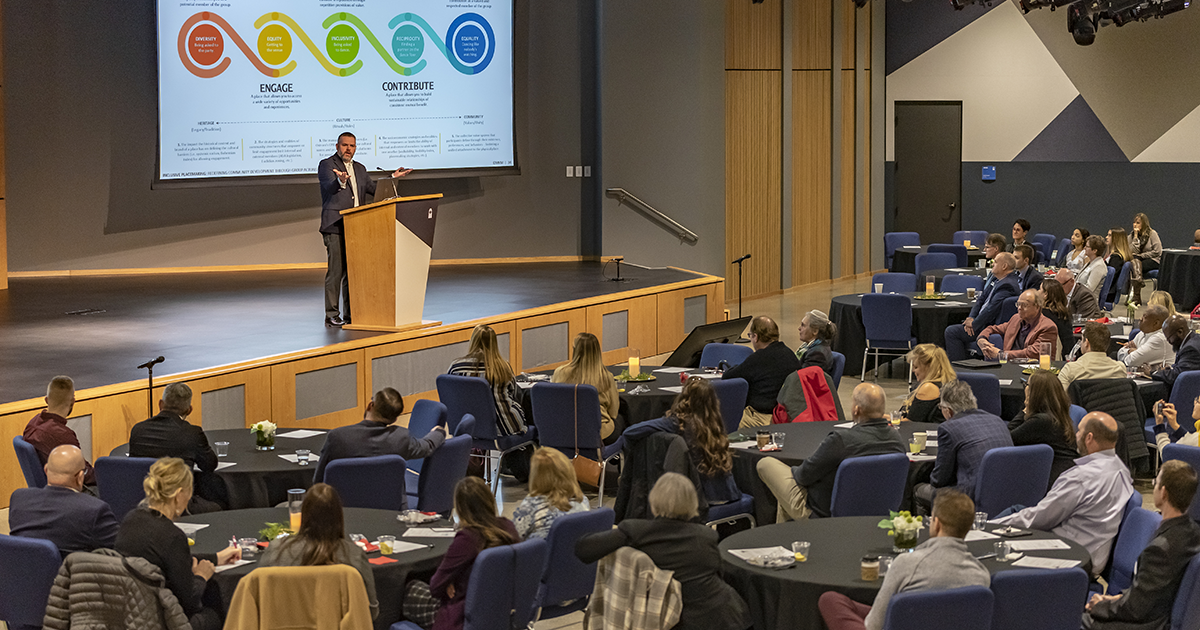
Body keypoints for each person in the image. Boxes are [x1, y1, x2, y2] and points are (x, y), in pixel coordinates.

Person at [575, 473, 752, 630]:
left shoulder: (636, 531)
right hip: (724, 616)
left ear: (654, 501)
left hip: (667, 617)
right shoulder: (707, 536)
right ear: (693, 502)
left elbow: (583, 549)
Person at [817, 489, 990, 630]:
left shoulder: (907, 563)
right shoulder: (981, 575)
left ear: (936, 523)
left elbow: (873, 625)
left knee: (830, 600)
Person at [992, 412, 1134, 575]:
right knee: (1016, 510)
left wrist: (989, 527)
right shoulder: (1122, 470)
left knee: (999, 548)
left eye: (1079, 430)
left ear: (1089, 438)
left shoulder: (1082, 477)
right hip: (1091, 553)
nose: (1075, 435)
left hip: (1069, 556)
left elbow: (1040, 518)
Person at [115, 457, 240, 630]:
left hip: (131, 614)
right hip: (162, 619)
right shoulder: (172, 536)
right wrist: (201, 576)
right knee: (216, 607)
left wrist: (216, 558)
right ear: (180, 494)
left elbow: (169, 560)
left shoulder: (131, 519)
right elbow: (188, 604)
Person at [756, 383, 905, 521]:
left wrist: (793, 469)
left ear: (856, 409)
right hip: (877, 512)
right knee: (786, 498)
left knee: (766, 463)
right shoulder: (896, 440)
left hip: (823, 513)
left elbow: (804, 476)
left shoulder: (841, 440)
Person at [1083, 460, 1200, 630]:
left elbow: (1136, 609)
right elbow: (1148, 592)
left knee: (1073, 619)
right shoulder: (1193, 533)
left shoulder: (1161, 549)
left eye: (1155, 482)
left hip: (1145, 623)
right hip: (1154, 612)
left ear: (1164, 493)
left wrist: (1100, 607)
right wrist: (1112, 599)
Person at [318, 132, 411, 327]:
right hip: (335, 224)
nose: (348, 149)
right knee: (336, 271)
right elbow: (329, 187)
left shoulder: (360, 168)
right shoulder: (327, 165)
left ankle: (352, 314)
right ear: (337, 147)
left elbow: (373, 189)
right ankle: (332, 314)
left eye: (352, 146)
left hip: (358, 226)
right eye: (344, 145)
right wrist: (341, 180)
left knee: (353, 273)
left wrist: (392, 177)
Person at [402, 477, 520, 630]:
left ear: (460, 508)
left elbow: (435, 586)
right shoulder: (508, 527)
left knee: (410, 587)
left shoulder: (468, 539)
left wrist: (449, 581)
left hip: (462, 613)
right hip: (499, 609)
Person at [258, 483, 378, 619]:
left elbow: (260, 601)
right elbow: (370, 611)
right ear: (339, 515)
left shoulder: (277, 550)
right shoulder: (354, 555)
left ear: (304, 514)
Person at [623, 378, 741, 506]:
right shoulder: (715, 423)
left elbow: (630, 432)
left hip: (700, 499)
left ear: (684, 398)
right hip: (729, 494)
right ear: (713, 400)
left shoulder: (677, 423)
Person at [312, 387, 446, 485]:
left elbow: (318, 481)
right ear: (394, 420)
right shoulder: (401, 438)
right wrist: (439, 431)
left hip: (345, 510)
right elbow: (427, 446)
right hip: (390, 509)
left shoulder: (337, 437)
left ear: (370, 405)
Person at [915, 380, 1012, 510]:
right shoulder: (998, 420)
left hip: (969, 497)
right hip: (1006, 492)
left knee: (918, 490)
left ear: (948, 410)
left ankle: (927, 529)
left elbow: (938, 480)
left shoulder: (949, 428)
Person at [8, 444, 118, 558]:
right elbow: (122, 549)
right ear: (80, 477)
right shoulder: (95, 510)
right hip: (72, 574)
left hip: (23, 573)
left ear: (46, 470)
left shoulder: (19, 499)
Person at [128, 383, 224, 512]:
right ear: (189, 410)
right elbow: (210, 465)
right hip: (178, 505)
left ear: (160, 404)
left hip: (144, 501)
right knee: (220, 502)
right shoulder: (192, 433)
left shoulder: (138, 430)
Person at [447, 324, 527, 436]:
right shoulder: (503, 367)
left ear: (473, 341)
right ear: (494, 343)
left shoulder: (456, 367)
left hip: (465, 426)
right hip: (503, 429)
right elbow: (514, 395)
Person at [723, 316, 802, 428]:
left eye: (750, 335)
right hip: (787, 415)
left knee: (723, 423)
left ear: (756, 337)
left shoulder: (758, 358)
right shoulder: (789, 354)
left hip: (763, 419)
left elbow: (728, 376)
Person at [1006, 370, 1079, 489]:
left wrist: (1026, 406)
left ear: (1035, 392)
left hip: (1055, 482)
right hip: (1066, 474)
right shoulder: (1056, 414)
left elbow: (1007, 438)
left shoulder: (1042, 421)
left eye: (1027, 385)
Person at [944, 252, 1020, 361]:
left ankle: (958, 369)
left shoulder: (1008, 285)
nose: (992, 264)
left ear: (1004, 266)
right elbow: (981, 299)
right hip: (980, 321)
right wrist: (971, 317)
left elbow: (990, 310)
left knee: (951, 332)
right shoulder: (996, 279)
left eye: (996, 262)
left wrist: (974, 324)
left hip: (989, 327)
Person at [552, 332, 624, 445]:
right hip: (598, 434)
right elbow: (613, 412)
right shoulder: (606, 377)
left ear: (575, 350)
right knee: (621, 419)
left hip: (565, 431)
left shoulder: (559, 372)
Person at [23, 375, 95, 486]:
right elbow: (84, 474)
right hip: (68, 492)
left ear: (46, 400)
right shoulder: (62, 434)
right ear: (72, 402)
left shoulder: (32, 424)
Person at [512, 448, 590, 540]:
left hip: (541, 553)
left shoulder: (531, 504)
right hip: (572, 552)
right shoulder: (582, 500)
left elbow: (514, 538)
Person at [976, 289, 1060, 361]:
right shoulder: (1016, 319)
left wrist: (1001, 354)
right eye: (1018, 304)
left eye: (1024, 305)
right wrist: (981, 339)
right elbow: (992, 329)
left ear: (1037, 307)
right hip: (1010, 367)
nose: (1019, 308)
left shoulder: (1047, 327)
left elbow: (1032, 353)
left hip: (1034, 371)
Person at [1058, 322, 1128, 389]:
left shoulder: (1070, 370)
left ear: (1086, 343)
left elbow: (1060, 398)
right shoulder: (1120, 369)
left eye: (1082, 340)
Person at [898, 344, 955, 424]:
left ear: (929, 367)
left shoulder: (929, 388)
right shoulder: (945, 384)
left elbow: (910, 423)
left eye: (916, 367)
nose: (913, 371)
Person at [1147, 314, 1200, 392]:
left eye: (1169, 338)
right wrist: (1168, 370)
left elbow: (1179, 376)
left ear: (1180, 332)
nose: (1169, 342)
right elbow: (1183, 368)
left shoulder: (1191, 348)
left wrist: (1154, 372)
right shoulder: (1193, 339)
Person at [1119, 304, 1175, 370]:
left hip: (1158, 379)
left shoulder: (1160, 339)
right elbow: (1120, 353)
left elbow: (1130, 361)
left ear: (1156, 323)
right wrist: (1130, 351)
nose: (1140, 319)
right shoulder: (1143, 333)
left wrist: (1133, 352)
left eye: (1145, 317)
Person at [1128, 212, 1163, 305]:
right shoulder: (1131, 236)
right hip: (1138, 261)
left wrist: (1142, 255)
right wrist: (1135, 236)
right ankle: (1139, 282)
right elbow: (1131, 250)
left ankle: (1136, 297)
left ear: (1144, 224)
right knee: (1135, 263)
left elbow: (1157, 251)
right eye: (1134, 222)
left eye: (1138, 223)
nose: (1135, 225)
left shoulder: (1152, 234)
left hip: (1153, 260)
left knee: (1136, 267)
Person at [1041, 279, 1075, 360]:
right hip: (1068, 355)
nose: (1037, 292)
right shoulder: (1065, 313)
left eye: (1040, 290)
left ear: (1045, 294)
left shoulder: (1043, 315)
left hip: (1052, 356)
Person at [1104, 227, 1132, 304]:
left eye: (1109, 235)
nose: (1106, 237)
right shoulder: (1113, 256)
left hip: (1107, 294)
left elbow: (1109, 279)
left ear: (1116, 239)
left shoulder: (1116, 258)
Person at [1077, 234, 1109, 301]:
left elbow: (1088, 289)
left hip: (1087, 302)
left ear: (1094, 250)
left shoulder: (1099, 266)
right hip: (1079, 297)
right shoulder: (1090, 262)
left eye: (1087, 246)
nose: (1084, 248)